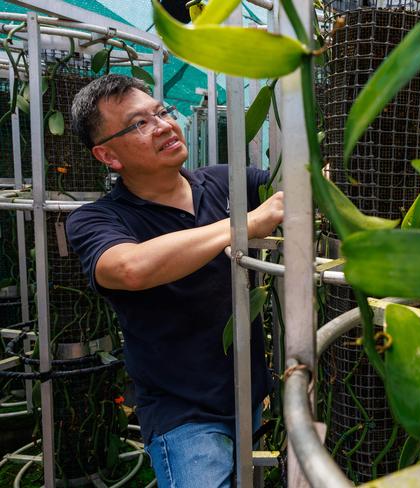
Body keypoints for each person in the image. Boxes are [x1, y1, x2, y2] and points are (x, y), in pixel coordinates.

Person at [66, 74, 283, 487]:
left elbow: (293, 190)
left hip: (251, 394)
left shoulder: (225, 182)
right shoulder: (98, 219)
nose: (164, 124)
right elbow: (130, 268)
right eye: (139, 124)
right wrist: (245, 224)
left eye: (162, 111)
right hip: (184, 413)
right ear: (108, 155)